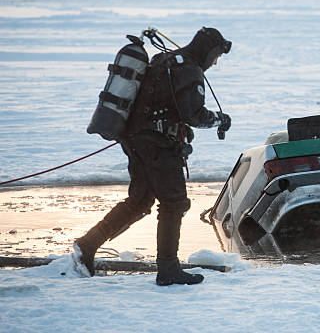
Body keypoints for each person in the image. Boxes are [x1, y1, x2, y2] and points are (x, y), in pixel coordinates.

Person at [74, 27, 232, 286]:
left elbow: (165, 105)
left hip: (134, 139)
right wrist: (219, 119)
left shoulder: (166, 60)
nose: (215, 62)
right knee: (174, 202)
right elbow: (193, 114)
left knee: (139, 201)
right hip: (157, 145)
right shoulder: (189, 71)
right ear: (208, 51)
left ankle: (87, 244)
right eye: (216, 56)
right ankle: (168, 269)